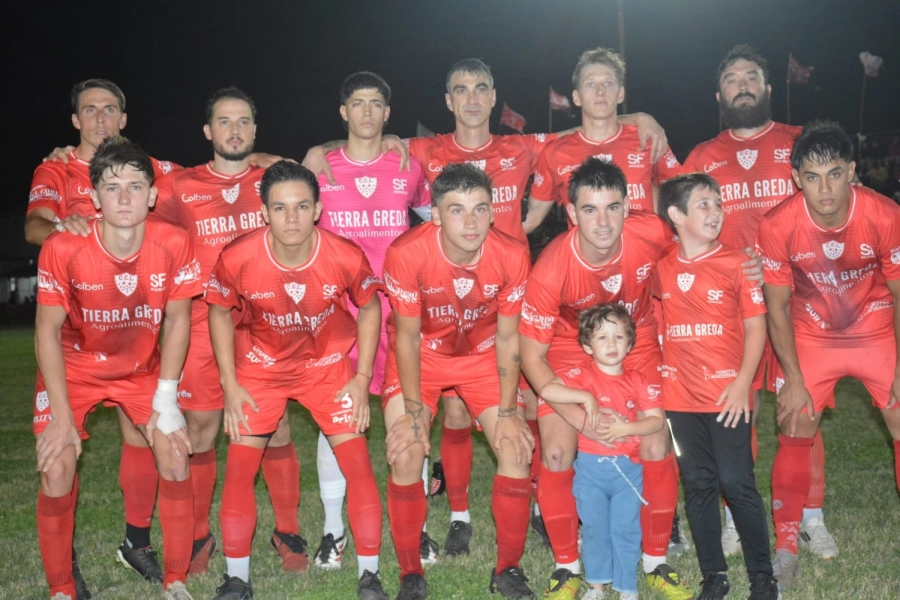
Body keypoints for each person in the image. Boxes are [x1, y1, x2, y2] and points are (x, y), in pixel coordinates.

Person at [303, 57, 669, 561]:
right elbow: (363, 136)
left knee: (522, 415)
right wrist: (317, 149)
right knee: (450, 416)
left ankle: (540, 510)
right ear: (448, 101)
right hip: (436, 305)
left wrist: (635, 119)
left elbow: (588, 128)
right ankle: (458, 515)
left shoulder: (521, 146)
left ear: (493, 97)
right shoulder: (422, 150)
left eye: (481, 89)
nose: (472, 98)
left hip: (503, 298)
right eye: (461, 90)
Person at [206, 160, 387, 600]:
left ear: (319, 208)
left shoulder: (344, 254)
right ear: (264, 212)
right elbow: (217, 310)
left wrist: (361, 377)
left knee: (358, 465)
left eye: (302, 206)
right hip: (260, 369)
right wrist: (230, 385)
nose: (292, 218)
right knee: (240, 470)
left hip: (326, 367)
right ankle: (237, 579)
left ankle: (369, 576)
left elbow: (369, 305)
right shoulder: (238, 256)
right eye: (280, 208)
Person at [679, 45, 834, 557]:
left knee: (800, 406)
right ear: (718, 94)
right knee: (731, 413)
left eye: (752, 77)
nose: (742, 85)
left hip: (798, 304)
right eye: (732, 79)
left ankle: (809, 514)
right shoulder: (702, 157)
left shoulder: (797, 144)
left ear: (768, 89)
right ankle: (729, 515)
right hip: (728, 309)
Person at [26, 79, 181, 590]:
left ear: (123, 118)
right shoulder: (56, 168)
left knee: (145, 436)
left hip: (136, 338)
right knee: (58, 457)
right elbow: (34, 226)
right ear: (76, 121)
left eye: (109, 109)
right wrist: (67, 230)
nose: (99, 118)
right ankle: (63, 568)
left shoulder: (146, 167)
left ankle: (136, 543)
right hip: (79, 333)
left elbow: (210, 173)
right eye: (89, 110)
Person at [519, 157, 692, 600]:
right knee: (557, 452)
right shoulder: (551, 268)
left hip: (637, 339)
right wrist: (580, 419)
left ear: (628, 206)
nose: (603, 221)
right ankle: (566, 566)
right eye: (590, 210)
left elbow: (694, 251)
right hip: (567, 347)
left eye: (613, 207)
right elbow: (532, 358)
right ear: (571, 213)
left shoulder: (650, 231)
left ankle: (655, 560)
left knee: (655, 443)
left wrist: (740, 264)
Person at [151, 86, 302, 576]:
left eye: (243, 122)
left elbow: (322, 172)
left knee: (275, 424)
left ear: (254, 131)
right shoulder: (179, 185)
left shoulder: (276, 180)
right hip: (200, 320)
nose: (234, 130)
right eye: (223, 121)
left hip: (264, 321)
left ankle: (287, 529)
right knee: (200, 428)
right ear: (207, 131)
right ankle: (199, 534)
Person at [756, 120, 900, 592]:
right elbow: (776, 307)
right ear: (796, 176)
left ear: (853, 171)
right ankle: (787, 547)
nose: (825, 188)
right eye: (813, 176)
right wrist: (792, 376)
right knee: (795, 422)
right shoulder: (778, 224)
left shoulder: (883, 214)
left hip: (874, 327)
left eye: (835, 173)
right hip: (812, 335)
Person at [381, 163, 535, 599]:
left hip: (482, 357)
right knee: (407, 451)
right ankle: (411, 573)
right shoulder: (407, 253)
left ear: (493, 212)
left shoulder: (511, 254)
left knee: (515, 448)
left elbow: (508, 337)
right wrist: (413, 414)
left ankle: (507, 569)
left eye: (480, 209)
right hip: (423, 358)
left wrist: (508, 411)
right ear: (435, 215)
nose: (470, 223)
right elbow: (407, 338)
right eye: (457, 211)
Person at [311, 71, 430, 570]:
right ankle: (333, 530)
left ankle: (417, 529)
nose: (366, 112)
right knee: (337, 418)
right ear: (344, 113)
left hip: (400, 314)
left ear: (387, 112)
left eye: (375, 104)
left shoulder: (409, 166)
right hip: (340, 315)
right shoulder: (320, 167)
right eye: (356, 103)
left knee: (408, 415)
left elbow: (436, 221)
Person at [656, 173, 777, 600]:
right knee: (699, 483)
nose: (716, 212)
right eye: (705, 204)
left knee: (736, 481)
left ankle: (763, 576)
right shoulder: (661, 268)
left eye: (719, 204)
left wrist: (744, 383)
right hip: (679, 401)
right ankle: (715, 576)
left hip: (728, 396)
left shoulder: (737, 263)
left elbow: (756, 329)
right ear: (676, 215)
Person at [540, 303, 665, 600]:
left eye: (619, 337)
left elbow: (656, 420)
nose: (611, 344)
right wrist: (585, 397)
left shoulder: (637, 379)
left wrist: (627, 430)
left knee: (624, 529)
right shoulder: (581, 375)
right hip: (591, 471)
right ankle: (596, 586)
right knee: (595, 529)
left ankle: (626, 589)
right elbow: (547, 391)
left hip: (627, 471)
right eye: (602, 337)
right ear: (587, 345)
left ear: (630, 343)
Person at [523, 47, 681, 234]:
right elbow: (531, 219)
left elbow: (684, 196)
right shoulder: (554, 152)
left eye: (607, 83)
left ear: (620, 93)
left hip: (648, 260)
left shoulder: (648, 138)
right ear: (576, 97)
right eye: (590, 84)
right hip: (589, 261)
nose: (600, 91)